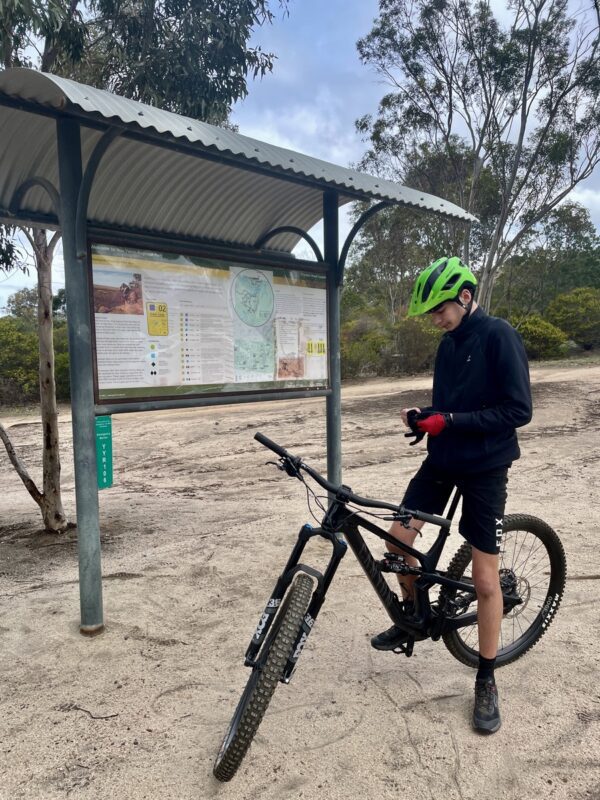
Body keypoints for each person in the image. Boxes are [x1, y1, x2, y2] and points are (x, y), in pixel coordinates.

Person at [370, 256, 532, 734]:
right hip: (442, 461)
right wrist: (425, 417)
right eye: (430, 314)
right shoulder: (447, 346)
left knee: (485, 581)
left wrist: (452, 422)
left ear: (464, 297)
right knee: (397, 543)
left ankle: (485, 676)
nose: (435, 320)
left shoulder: (499, 335)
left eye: (438, 310)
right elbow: (447, 406)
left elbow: (518, 410)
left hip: (486, 467)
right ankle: (413, 617)